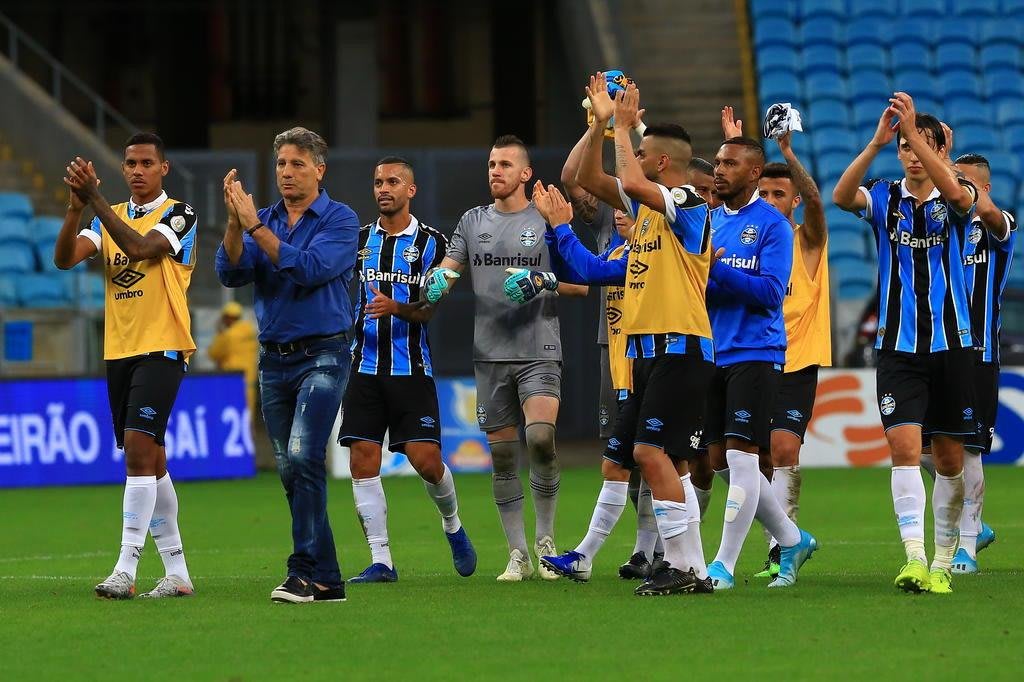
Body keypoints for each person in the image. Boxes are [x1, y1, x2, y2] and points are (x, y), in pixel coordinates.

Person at [538, 75, 717, 596]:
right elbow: (579, 174)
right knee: (667, 459)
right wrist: (597, 125)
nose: (630, 156)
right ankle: (694, 568)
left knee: (647, 454)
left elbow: (634, 182)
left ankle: (682, 567)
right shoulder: (641, 223)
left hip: (679, 346)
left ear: (660, 162)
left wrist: (620, 122)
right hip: (642, 354)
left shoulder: (688, 204)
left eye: (639, 152)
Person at [423, 135, 588, 582]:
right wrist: (434, 283)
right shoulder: (473, 222)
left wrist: (543, 281)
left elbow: (583, 282)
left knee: (539, 439)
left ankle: (547, 540)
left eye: (504, 164)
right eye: (491, 164)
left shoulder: (546, 218)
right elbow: (449, 269)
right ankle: (517, 554)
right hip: (490, 353)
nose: (495, 171)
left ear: (525, 173)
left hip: (539, 348)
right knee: (500, 458)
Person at [833, 95, 977, 594]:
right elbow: (840, 196)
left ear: (940, 148)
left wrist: (917, 131)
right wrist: (877, 141)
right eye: (907, 146)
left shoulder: (956, 197)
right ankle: (915, 557)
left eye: (925, 145)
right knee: (903, 448)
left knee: (950, 459)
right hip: (899, 346)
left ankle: (944, 560)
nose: (914, 154)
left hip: (951, 343)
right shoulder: (884, 196)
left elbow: (960, 199)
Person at [215, 127, 360, 604]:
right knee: (290, 470)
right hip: (275, 359)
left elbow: (310, 269)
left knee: (303, 456)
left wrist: (255, 225)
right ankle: (329, 578)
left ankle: (301, 571)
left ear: (320, 169)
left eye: (297, 164)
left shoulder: (341, 219)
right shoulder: (267, 218)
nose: (286, 173)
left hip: (324, 352)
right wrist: (237, 223)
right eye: (280, 164)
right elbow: (232, 272)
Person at [55, 133, 197, 599]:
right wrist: (77, 207)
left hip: (164, 346)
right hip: (119, 350)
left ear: (164, 168)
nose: (137, 170)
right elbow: (64, 259)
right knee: (151, 459)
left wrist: (95, 199)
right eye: (130, 163)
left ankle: (126, 567)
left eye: (146, 163)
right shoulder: (106, 215)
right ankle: (178, 573)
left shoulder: (180, 214)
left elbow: (139, 249)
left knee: (138, 447)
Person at [338, 156, 477, 582]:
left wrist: (395, 307)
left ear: (410, 190)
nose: (384, 188)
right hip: (362, 367)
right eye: (378, 181)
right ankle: (382, 561)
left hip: (411, 368)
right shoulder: (358, 241)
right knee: (363, 458)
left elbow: (429, 310)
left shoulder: (435, 243)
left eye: (393, 181)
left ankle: (452, 525)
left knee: (427, 460)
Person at [701, 132, 817, 591]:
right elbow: (699, 286)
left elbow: (770, 292)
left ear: (752, 172)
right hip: (714, 350)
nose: (718, 170)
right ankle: (792, 538)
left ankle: (723, 566)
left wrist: (718, 269)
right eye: (717, 162)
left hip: (757, 350)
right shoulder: (707, 222)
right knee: (717, 459)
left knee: (741, 453)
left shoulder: (772, 225)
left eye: (729, 163)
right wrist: (709, 271)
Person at [560, 125, 662, 579]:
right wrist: (596, 126)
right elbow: (572, 177)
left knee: (683, 458)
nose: (620, 214)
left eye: (627, 208)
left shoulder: (664, 221)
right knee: (624, 454)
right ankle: (647, 552)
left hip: (660, 351)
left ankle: (666, 552)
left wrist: (630, 127)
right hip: (614, 350)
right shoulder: (609, 225)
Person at [740, 122, 831, 580]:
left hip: (796, 361)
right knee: (747, 460)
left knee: (782, 448)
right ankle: (780, 544)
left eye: (780, 194)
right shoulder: (749, 243)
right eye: (766, 194)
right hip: (754, 358)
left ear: (793, 200)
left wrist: (788, 154)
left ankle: (783, 550)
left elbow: (818, 202)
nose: (772, 201)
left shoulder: (806, 240)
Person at [920, 151, 1013, 574]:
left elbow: (986, 211)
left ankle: (968, 546)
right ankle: (970, 521)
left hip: (977, 355)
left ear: (984, 188)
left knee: (969, 450)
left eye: (962, 179)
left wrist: (962, 186)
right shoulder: (941, 224)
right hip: (934, 349)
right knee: (922, 450)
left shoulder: (995, 227)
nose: (952, 183)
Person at [208, 300, 259, 416]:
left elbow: (213, 353)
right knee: (247, 420)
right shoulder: (250, 332)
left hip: (232, 383)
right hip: (249, 383)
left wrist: (219, 334)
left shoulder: (228, 335)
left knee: (234, 418)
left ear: (228, 317)